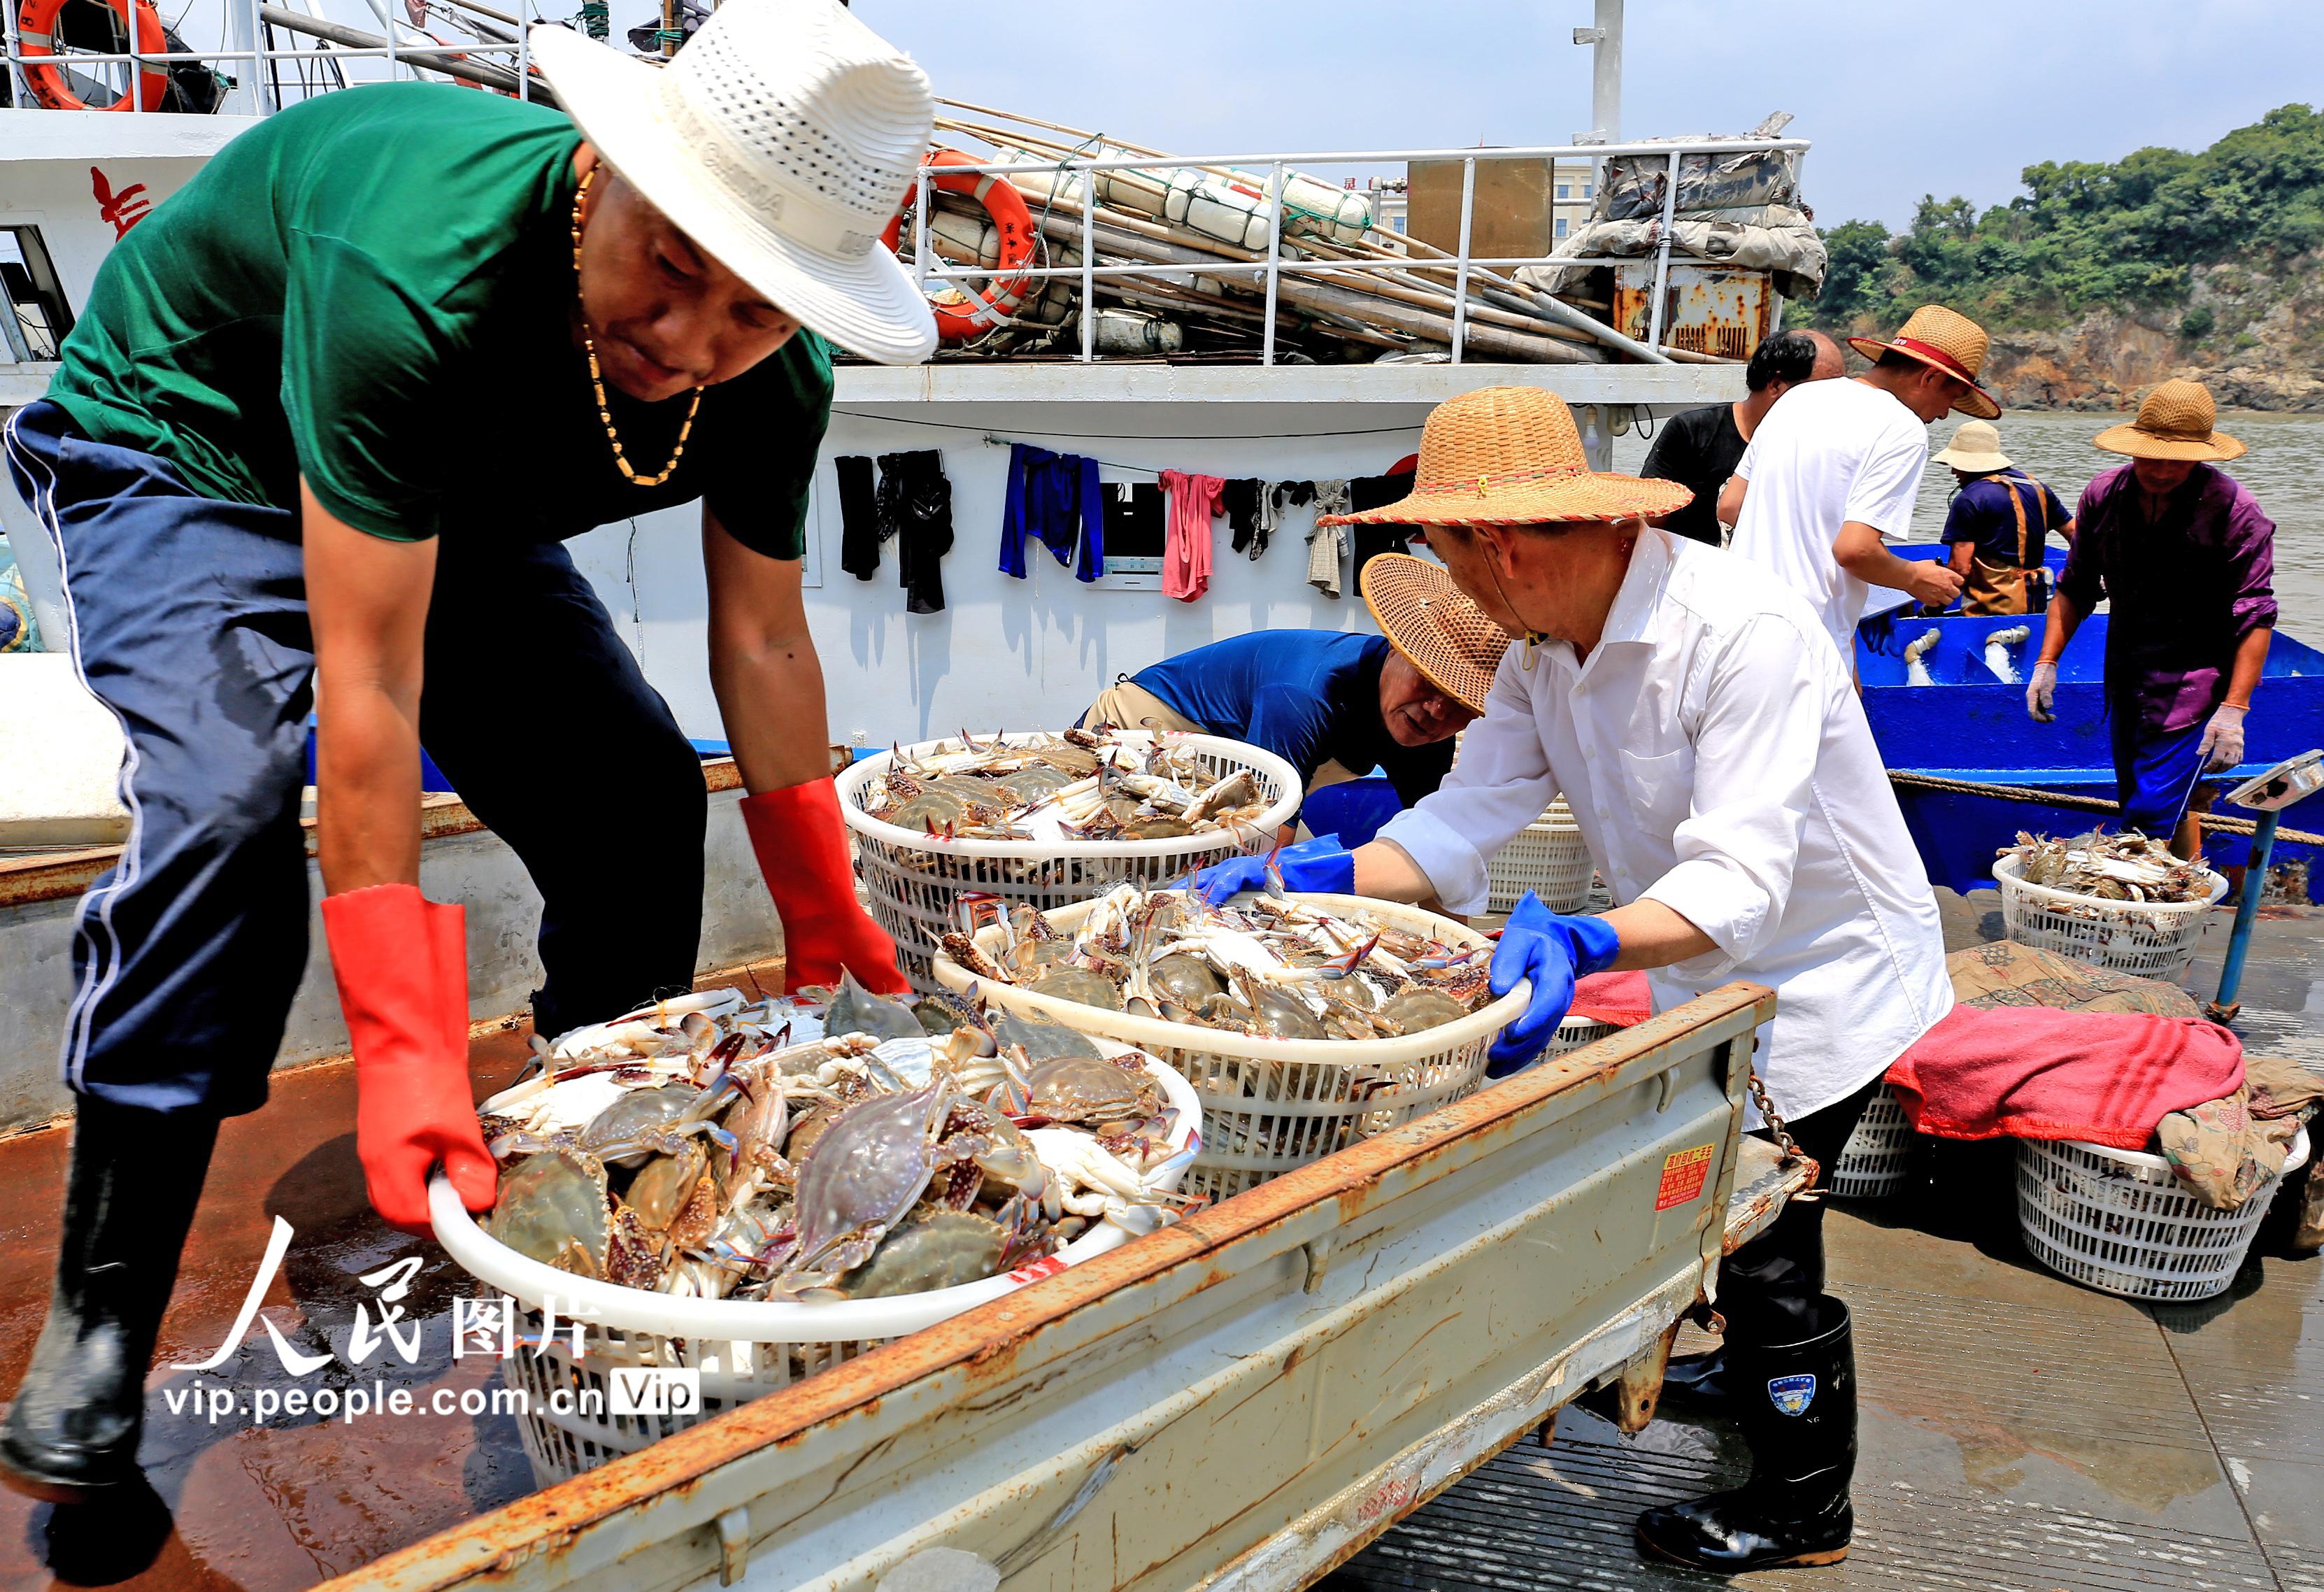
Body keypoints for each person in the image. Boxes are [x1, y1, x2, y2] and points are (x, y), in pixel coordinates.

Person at [0, 0, 928, 1502]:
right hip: (191, 447)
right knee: (226, 805)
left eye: (752, 312)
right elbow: (365, 680)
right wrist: (402, 1043)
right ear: (606, 173)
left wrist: (812, 884)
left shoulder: (777, 366)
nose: (688, 343)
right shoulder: (421, 267)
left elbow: (760, 638)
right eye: (669, 267)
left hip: (441, 494)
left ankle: (575, 1191)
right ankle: (105, 1311)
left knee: (634, 799)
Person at [1202, 386, 1951, 1572]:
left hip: (1822, 974)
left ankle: (1806, 1507)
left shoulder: (1745, 632)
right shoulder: (1542, 655)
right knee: (1715, 1197)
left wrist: (1588, 942)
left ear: (1499, 545)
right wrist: (1315, 872)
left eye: (1448, 555)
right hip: (1694, 962)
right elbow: (1462, 819)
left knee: (1769, 1243)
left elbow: (1743, 885)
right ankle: (1739, 1370)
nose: (1457, 588)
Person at [2026, 381, 2274, 858]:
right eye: (2149, 457)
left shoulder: (2234, 510)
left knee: (2146, 815)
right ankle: (2182, 895)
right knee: (2150, 801)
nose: (2160, 470)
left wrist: (2234, 710)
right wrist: (2046, 662)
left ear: (2200, 456)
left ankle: (2138, 917)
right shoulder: (2104, 494)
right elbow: (2076, 586)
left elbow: (2256, 612)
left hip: (2196, 678)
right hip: (2126, 669)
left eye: (2176, 460)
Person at [1723, 304, 2004, 658]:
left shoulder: (1797, 397)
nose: (1945, 413)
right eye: (1951, 396)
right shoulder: (1903, 428)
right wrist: (1914, 578)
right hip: (1805, 638)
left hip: (1735, 620)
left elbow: (1731, 506)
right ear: (1929, 378)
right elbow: (1855, 550)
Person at [1081, 592, 1506, 810]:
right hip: (1144, 727)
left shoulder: (1427, 728)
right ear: (1397, 648)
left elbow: (1434, 843)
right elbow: (1261, 827)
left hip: (1241, 765)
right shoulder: (1305, 693)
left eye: (1460, 701)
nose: (1437, 710)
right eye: (1426, 680)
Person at [1640, 327, 1844, 546]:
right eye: (1824, 391)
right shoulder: (1692, 429)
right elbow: (1648, 520)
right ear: (1776, 385)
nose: (1835, 402)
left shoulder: (1823, 448)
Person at [1932, 418, 2074, 615]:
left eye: (1956, 464)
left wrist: (1932, 609)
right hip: (2036, 604)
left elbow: (1960, 569)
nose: (1953, 471)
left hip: (1990, 610)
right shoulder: (2036, 487)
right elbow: (2074, 532)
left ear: (1969, 464)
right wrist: (2083, 577)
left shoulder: (1969, 499)